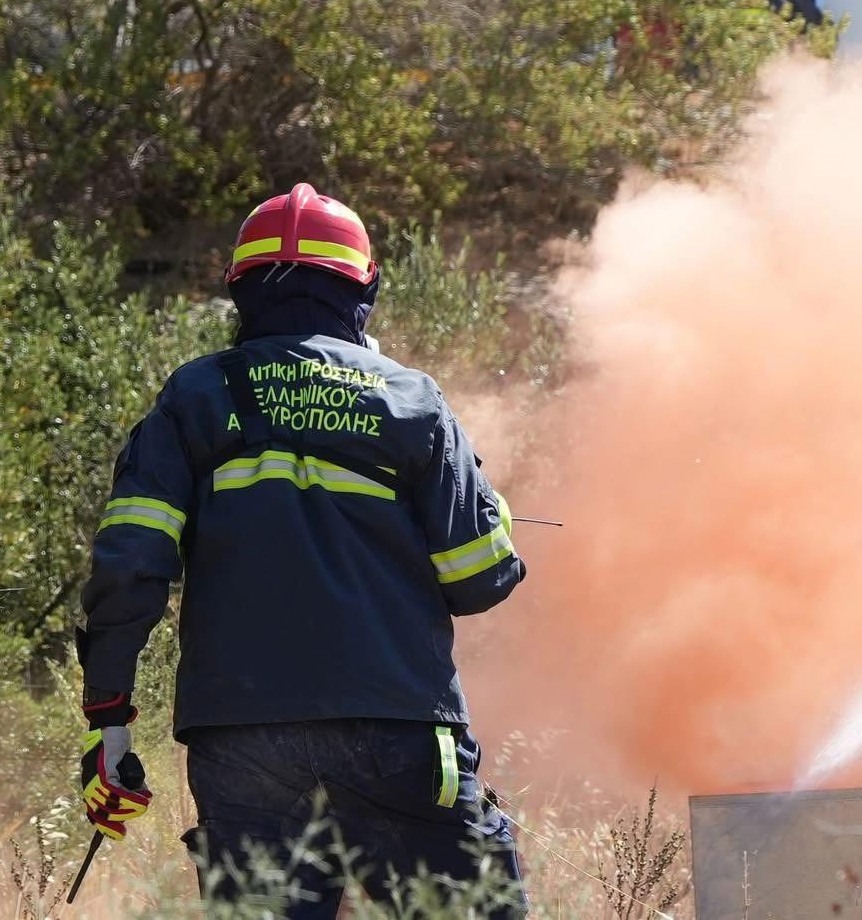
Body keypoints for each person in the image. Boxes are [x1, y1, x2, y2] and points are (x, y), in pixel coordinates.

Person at [75, 183, 527, 917]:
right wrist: (490, 510)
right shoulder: (411, 399)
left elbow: (130, 565)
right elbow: (480, 576)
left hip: (242, 742)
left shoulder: (194, 395)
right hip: (402, 731)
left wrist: (110, 721)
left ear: (239, 291)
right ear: (365, 289)